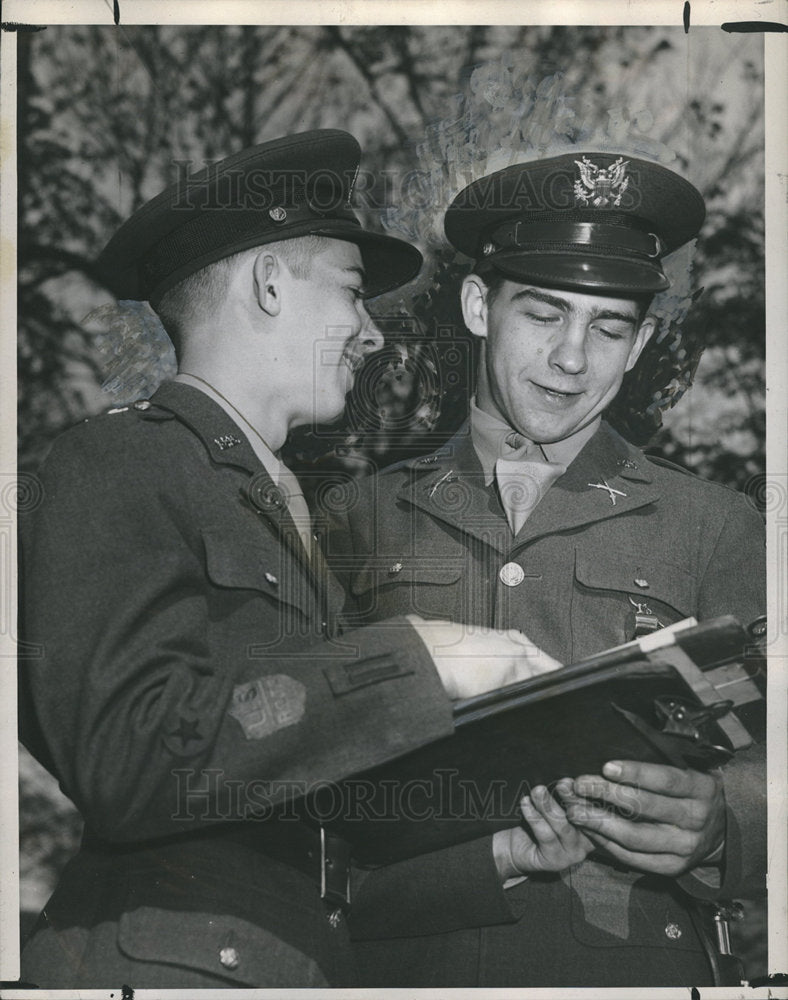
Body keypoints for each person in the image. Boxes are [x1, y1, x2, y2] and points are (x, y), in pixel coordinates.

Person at [17, 130, 562, 989]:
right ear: (270, 285)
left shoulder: (272, 507)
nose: (370, 335)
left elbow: (300, 845)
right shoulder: (118, 464)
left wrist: (498, 854)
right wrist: (411, 657)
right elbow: (127, 756)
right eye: (351, 294)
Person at [325, 151, 767, 987]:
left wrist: (725, 825)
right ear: (476, 307)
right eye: (544, 313)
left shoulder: (716, 524)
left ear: (639, 344)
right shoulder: (356, 516)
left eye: (608, 328)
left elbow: (770, 751)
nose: (572, 358)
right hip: (403, 967)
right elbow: (303, 793)